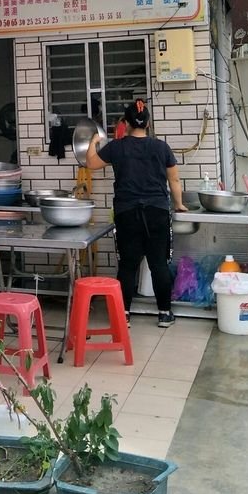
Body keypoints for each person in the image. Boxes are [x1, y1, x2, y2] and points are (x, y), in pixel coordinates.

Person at [85, 98, 187, 328]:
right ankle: (164, 314)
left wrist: (94, 141)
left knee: (128, 265)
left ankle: (124, 314)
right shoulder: (161, 147)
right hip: (157, 211)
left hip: (127, 213)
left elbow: (90, 163)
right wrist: (178, 204)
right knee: (159, 263)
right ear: (148, 124)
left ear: (126, 123)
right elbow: (174, 180)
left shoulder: (116, 147)